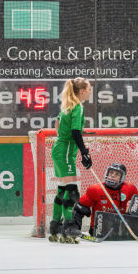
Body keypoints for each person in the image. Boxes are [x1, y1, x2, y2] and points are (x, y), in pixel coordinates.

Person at [49, 77, 92, 243]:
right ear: (82, 91)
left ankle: (55, 226)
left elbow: (57, 124)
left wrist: (65, 138)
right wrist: (84, 152)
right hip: (66, 151)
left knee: (62, 189)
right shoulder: (78, 107)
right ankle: (69, 226)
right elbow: (75, 132)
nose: (90, 92)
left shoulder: (66, 106)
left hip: (60, 149)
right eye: (89, 89)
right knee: (72, 191)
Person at [66, 163, 138, 238]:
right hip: (97, 230)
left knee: (135, 210)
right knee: (80, 208)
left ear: (122, 178)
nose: (113, 175)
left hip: (118, 231)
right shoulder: (96, 189)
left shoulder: (129, 189)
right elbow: (79, 208)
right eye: (111, 172)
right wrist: (74, 227)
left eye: (117, 174)